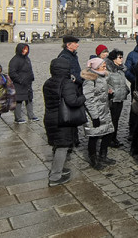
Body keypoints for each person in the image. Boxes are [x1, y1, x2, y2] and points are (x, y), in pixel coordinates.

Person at [43, 57, 86, 186]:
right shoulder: (66, 84)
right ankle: (55, 177)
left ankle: (59, 168)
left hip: (50, 117)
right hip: (63, 119)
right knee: (62, 146)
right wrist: (83, 97)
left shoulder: (48, 82)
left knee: (57, 145)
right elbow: (72, 101)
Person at [82, 57, 115, 170]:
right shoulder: (90, 79)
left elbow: (103, 89)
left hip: (104, 110)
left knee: (108, 132)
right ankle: (93, 159)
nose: (105, 67)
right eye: (103, 66)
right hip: (95, 112)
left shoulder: (102, 76)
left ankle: (103, 155)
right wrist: (94, 116)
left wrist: (110, 91)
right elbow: (88, 99)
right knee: (94, 136)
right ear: (96, 67)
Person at [106, 49, 130, 148]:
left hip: (120, 98)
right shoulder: (108, 70)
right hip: (112, 99)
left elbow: (123, 82)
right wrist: (109, 90)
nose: (121, 59)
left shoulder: (121, 70)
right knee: (112, 120)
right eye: (119, 57)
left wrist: (126, 89)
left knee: (116, 119)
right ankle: (109, 139)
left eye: (122, 57)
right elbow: (104, 82)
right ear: (113, 59)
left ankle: (114, 138)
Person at [9, 43, 38, 124]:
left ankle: (31, 115)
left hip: (28, 83)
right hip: (19, 84)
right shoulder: (15, 60)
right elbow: (12, 73)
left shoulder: (27, 58)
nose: (25, 51)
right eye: (24, 49)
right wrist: (20, 80)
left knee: (29, 99)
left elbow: (29, 69)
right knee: (19, 100)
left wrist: (31, 77)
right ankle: (18, 118)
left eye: (26, 49)